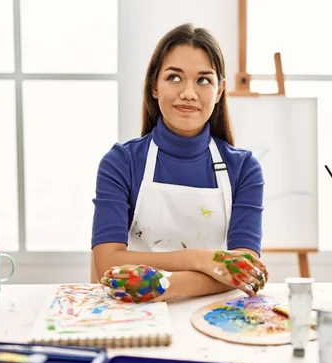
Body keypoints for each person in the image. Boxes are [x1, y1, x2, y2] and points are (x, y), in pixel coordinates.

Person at [91, 23, 267, 303]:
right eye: (174, 78)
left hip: (214, 316)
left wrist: (164, 285)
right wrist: (203, 259)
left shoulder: (244, 169)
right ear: (154, 87)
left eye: (203, 80)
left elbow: (243, 269)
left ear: (220, 91)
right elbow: (106, 263)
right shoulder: (121, 163)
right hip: (134, 314)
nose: (188, 93)